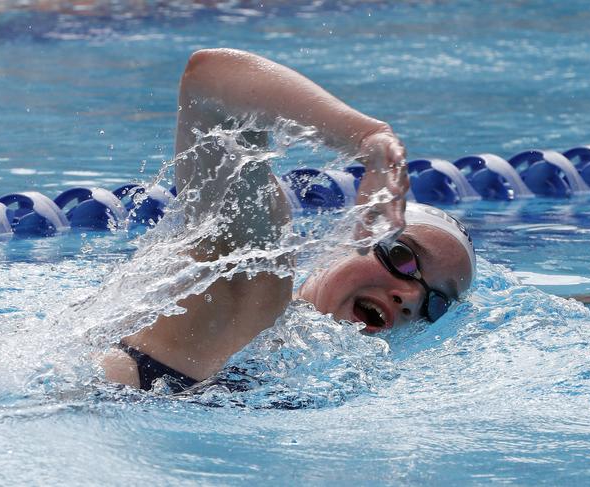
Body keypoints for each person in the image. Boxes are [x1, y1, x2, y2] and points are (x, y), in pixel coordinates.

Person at [100, 49, 475, 393]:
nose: (411, 297)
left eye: (435, 303)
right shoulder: (252, 284)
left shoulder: (309, 366)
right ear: (346, 241)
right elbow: (208, 81)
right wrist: (369, 138)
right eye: (403, 257)